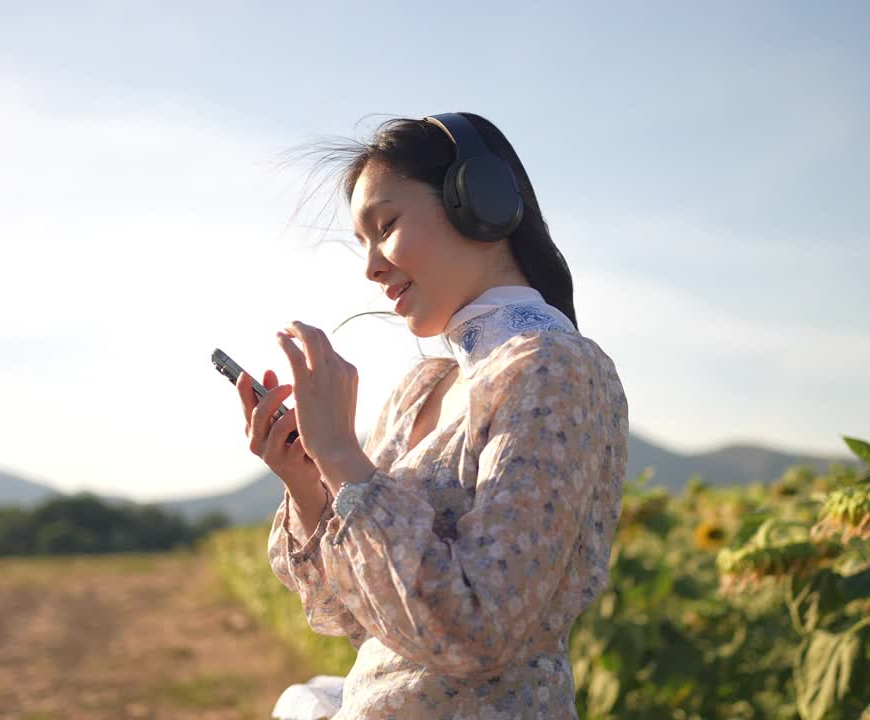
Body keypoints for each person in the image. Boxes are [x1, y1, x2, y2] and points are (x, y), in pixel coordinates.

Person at [237, 112, 628, 719]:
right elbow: (355, 618)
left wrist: (342, 455)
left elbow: (479, 628)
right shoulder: (426, 386)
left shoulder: (555, 367)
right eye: (361, 242)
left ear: (483, 203)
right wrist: (310, 479)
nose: (370, 266)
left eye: (385, 225)